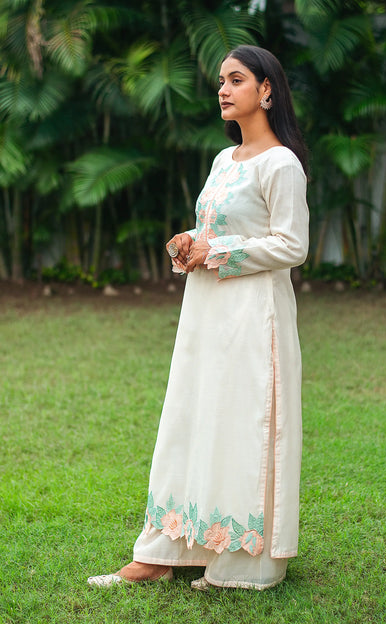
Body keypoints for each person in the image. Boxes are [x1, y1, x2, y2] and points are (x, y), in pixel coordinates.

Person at [88, 44, 309, 591]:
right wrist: (191, 243)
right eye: (220, 81)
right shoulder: (221, 160)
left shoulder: (281, 164)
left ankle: (242, 560)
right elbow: (215, 229)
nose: (223, 89)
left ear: (266, 90)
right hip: (206, 312)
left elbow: (292, 245)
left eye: (236, 80)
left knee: (241, 425)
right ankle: (162, 550)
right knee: (192, 418)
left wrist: (217, 251)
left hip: (255, 316)